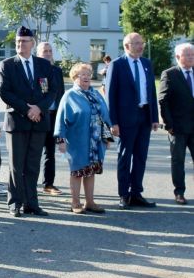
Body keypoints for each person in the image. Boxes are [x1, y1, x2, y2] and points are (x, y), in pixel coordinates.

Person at [0, 26, 56, 217]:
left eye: (24, 41)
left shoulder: (44, 65)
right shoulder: (7, 65)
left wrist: (39, 108)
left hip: (39, 121)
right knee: (16, 165)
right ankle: (15, 202)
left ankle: (32, 203)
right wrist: (27, 108)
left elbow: (51, 91)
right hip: (17, 121)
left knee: (32, 165)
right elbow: (5, 92)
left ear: (32, 43)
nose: (20, 44)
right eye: (17, 42)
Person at [106, 32, 159, 209]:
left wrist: (154, 118)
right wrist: (113, 122)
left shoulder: (146, 63)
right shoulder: (117, 65)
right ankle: (124, 194)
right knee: (125, 156)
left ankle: (136, 193)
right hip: (125, 119)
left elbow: (151, 92)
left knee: (141, 157)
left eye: (141, 43)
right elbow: (111, 96)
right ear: (127, 46)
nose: (140, 46)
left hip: (144, 116)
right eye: (136, 43)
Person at [54, 63, 112, 214]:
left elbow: (104, 116)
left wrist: (106, 138)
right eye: (82, 74)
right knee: (77, 171)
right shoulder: (69, 96)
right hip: (77, 141)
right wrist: (60, 140)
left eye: (88, 74)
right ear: (75, 77)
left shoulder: (96, 94)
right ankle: (75, 202)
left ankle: (90, 202)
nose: (86, 77)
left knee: (91, 171)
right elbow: (61, 119)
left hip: (95, 141)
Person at [158, 43, 194, 205]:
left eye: (193, 54)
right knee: (178, 161)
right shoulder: (170, 74)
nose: (192, 57)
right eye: (188, 55)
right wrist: (168, 124)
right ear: (178, 57)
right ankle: (179, 192)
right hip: (177, 127)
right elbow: (163, 100)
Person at [36, 41, 65, 195]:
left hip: (54, 116)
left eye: (50, 51)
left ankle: (48, 184)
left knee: (50, 151)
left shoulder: (57, 70)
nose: (47, 53)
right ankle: (29, 184)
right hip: (39, 115)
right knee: (34, 151)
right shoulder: (35, 70)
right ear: (38, 54)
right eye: (44, 51)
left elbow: (61, 94)